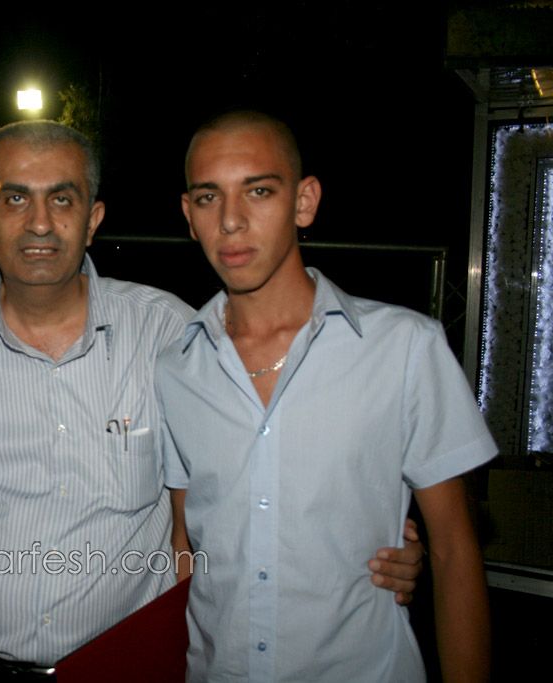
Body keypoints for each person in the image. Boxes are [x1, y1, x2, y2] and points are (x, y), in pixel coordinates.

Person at [0, 120, 423, 679]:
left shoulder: (172, 337)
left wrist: (369, 537)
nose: (40, 223)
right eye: (14, 199)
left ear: (93, 219)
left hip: (134, 663)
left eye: (62, 199)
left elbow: (253, 479)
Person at [157, 110, 496, 681]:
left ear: (304, 201)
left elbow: (455, 551)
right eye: (209, 197)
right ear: (190, 216)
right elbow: (186, 544)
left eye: (258, 191)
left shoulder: (404, 348)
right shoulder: (176, 368)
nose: (231, 220)